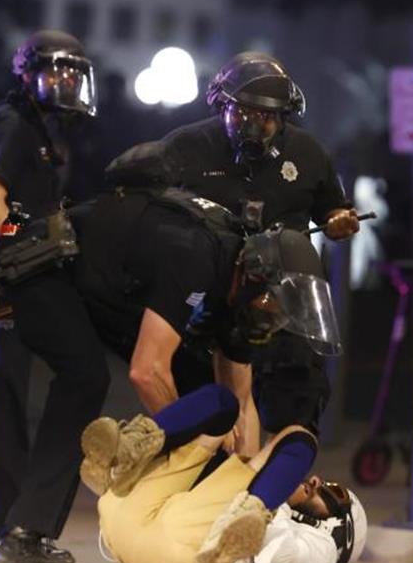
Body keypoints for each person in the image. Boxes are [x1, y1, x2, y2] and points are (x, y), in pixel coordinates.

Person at [0, 30, 111, 563]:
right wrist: (21, 233)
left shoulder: (44, 128)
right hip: (2, 275)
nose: (64, 83)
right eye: (54, 72)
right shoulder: (11, 123)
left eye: (71, 74)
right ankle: (7, 531)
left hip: (15, 271)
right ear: (26, 74)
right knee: (5, 393)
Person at [150, 52, 360, 436]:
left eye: (267, 118)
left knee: (294, 408)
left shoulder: (308, 153)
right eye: (243, 114)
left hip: (283, 301)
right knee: (214, 414)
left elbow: (334, 210)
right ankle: (218, 483)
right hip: (209, 303)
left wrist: (338, 221)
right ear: (221, 106)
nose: (255, 125)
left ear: (283, 117)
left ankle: (274, 483)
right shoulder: (185, 147)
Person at [71, 161, 342, 457]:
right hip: (64, 266)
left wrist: (242, 488)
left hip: (117, 290)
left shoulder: (237, 295)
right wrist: (196, 444)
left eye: (280, 317)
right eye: (270, 305)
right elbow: (146, 371)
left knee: (214, 398)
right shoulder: (198, 258)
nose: (270, 319)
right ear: (254, 276)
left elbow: (241, 405)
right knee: (86, 378)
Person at [80, 383, 367, 563]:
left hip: (167, 543)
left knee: (302, 439)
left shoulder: (324, 551)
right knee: (224, 403)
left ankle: (249, 513)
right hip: (142, 540)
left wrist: (265, 525)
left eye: (335, 493)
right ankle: (129, 450)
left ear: (342, 531)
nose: (318, 481)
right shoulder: (263, 488)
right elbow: (271, 448)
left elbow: (279, 560)